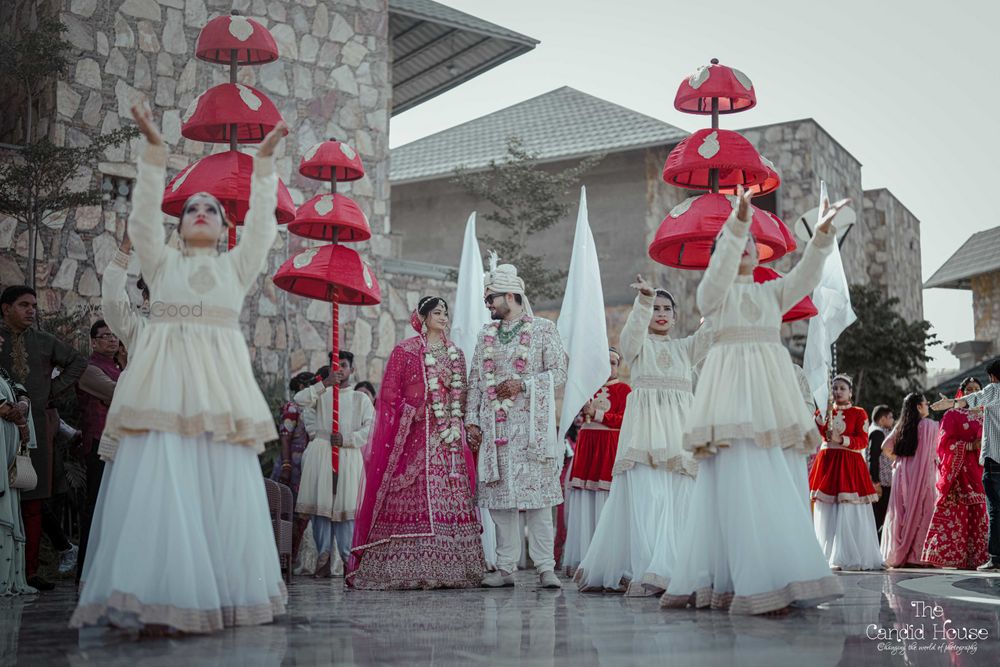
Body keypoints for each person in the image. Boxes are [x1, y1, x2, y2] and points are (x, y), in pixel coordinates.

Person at [69, 106, 288, 634]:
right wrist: (154, 152)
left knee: (221, 485)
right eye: (192, 208)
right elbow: (143, 218)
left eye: (212, 209)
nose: (201, 212)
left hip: (217, 394)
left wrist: (263, 166)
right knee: (164, 486)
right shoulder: (160, 264)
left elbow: (262, 227)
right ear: (180, 223)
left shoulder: (236, 266)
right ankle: (160, 596)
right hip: (164, 393)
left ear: (224, 227)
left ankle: (220, 592)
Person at [662, 188, 846, 615]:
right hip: (728, 395)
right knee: (730, 479)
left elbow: (804, 278)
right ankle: (730, 579)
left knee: (769, 474)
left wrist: (820, 237)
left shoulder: (770, 293)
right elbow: (709, 291)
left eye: (747, 244)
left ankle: (775, 577)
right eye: (734, 244)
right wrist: (738, 222)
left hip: (768, 394)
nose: (743, 248)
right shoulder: (715, 297)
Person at [576, 278, 712, 596]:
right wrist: (644, 301)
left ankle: (673, 568)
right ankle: (645, 568)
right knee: (648, 499)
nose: (661, 314)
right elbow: (630, 336)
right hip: (643, 436)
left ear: (676, 317)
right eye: (656, 309)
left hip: (677, 436)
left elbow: (709, 335)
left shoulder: (684, 349)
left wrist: (722, 293)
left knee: (678, 499)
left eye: (667, 309)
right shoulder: (638, 348)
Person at [348, 297, 485, 589]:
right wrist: (415, 410)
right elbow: (388, 398)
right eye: (437, 312)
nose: (444, 317)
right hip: (415, 439)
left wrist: (452, 405)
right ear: (422, 317)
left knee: (450, 496)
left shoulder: (456, 354)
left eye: (446, 312)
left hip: (448, 441)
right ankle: (407, 569)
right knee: (417, 494)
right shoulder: (405, 351)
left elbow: (461, 398)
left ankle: (453, 569)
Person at [466, 260, 568, 589]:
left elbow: (560, 373)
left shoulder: (543, 330)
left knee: (537, 501)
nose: (488, 305)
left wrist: (523, 385)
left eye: (491, 299)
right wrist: (471, 422)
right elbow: (476, 381)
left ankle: (545, 567)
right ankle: (506, 568)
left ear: (511, 296)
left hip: (530, 431)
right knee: (500, 504)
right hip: (494, 430)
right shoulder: (486, 335)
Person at [0, 285, 86, 591]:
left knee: (33, 500)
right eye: (24, 305)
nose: (31, 310)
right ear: (5, 308)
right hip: (1, 428)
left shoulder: (44, 341)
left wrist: (53, 389)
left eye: (34, 305)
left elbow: (77, 361)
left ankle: (30, 572)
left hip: (37, 427)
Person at [295, 351, 374, 577]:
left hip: (348, 457)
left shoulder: (360, 399)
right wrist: (324, 385)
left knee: (345, 509)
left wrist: (347, 440)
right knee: (321, 507)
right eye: (335, 365)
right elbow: (298, 400)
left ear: (352, 369)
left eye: (344, 365)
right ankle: (324, 554)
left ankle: (349, 560)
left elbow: (370, 429)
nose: (339, 369)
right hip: (322, 456)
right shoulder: (321, 395)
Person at [562, 349, 632, 577]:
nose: (610, 367)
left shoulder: (625, 390)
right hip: (587, 448)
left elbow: (628, 420)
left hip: (608, 450)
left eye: (613, 362)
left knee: (605, 500)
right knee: (585, 500)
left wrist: (599, 415)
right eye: (605, 362)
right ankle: (584, 556)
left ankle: (608, 558)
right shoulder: (587, 389)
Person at [808, 375, 883, 570]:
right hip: (828, 464)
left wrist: (842, 440)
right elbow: (814, 433)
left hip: (850, 464)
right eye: (835, 388)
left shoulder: (859, 413)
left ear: (850, 392)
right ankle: (827, 555)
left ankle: (851, 555)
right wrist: (819, 420)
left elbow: (863, 441)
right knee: (827, 510)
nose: (838, 391)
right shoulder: (823, 412)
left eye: (842, 388)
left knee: (850, 509)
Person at [931, 359, 1000, 571]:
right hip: (969, 470)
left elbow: (973, 400)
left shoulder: (994, 391)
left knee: (995, 510)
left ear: (991, 377)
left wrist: (950, 403)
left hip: (994, 462)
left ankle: (996, 558)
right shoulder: (955, 418)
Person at [74, 320, 123, 583]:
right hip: (99, 445)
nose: (112, 340)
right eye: (105, 336)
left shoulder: (118, 367)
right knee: (95, 508)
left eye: (114, 335)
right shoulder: (89, 368)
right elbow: (121, 394)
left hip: (119, 446)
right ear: (94, 342)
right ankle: (86, 573)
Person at [922, 378, 988, 569]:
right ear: (962, 392)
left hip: (982, 471)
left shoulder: (987, 413)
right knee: (958, 512)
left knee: (982, 512)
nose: (973, 392)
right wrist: (968, 445)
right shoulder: (952, 415)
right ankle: (953, 557)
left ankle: (981, 558)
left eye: (977, 389)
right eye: (969, 389)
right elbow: (943, 445)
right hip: (959, 472)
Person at [880, 393, 937, 568]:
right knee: (923, 511)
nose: (928, 406)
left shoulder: (901, 426)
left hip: (903, 474)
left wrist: (901, 459)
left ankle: (898, 553)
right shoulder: (930, 425)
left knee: (901, 513)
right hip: (924, 474)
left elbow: (885, 447)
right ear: (919, 407)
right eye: (926, 403)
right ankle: (917, 556)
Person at [271, 371, 315, 563]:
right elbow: (285, 437)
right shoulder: (292, 407)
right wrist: (287, 466)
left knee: (301, 515)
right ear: (300, 387)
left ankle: (294, 557)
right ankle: (281, 557)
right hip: (292, 465)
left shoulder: (310, 407)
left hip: (305, 465)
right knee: (286, 512)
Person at [0, 363, 36, 595]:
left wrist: (22, 404)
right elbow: (3, 409)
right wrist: (20, 419)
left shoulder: (2, 371)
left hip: (7, 453)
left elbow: (20, 391)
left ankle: (9, 578)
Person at [867, 405, 895, 536]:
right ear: (883, 419)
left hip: (882, 481)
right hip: (882, 483)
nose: (893, 420)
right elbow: (872, 458)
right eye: (890, 417)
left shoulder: (874, 429)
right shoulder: (878, 432)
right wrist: (876, 482)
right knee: (880, 516)